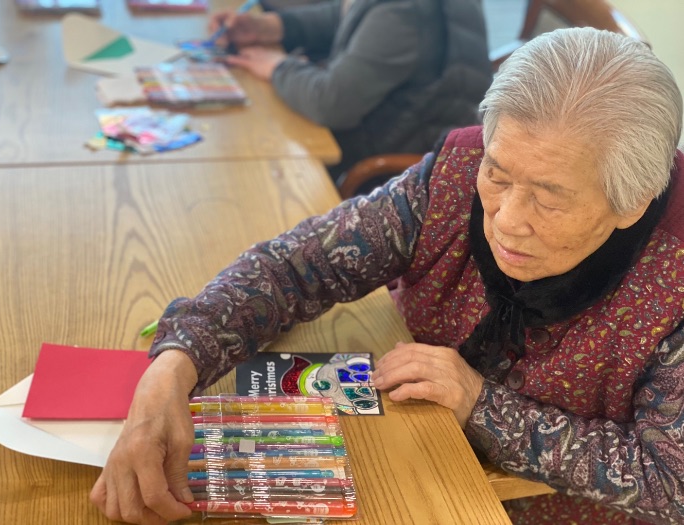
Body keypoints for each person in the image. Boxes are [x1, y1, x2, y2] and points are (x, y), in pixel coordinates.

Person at [90, 27, 684, 525]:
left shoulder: (674, 280)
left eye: (549, 198)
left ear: (632, 202)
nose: (506, 219)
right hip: (409, 444)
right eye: (498, 175)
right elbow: (298, 265)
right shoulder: (454, 175)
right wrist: (174, 365)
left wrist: (481, 404)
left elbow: (670, 480)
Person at [210, 0, 493, 182]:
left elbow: (330, 104)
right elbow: (351, 14)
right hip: (409, 126)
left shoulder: (403, 12)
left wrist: (278, 67)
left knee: (258, 164)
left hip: (402, 166)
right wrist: (272, 26)